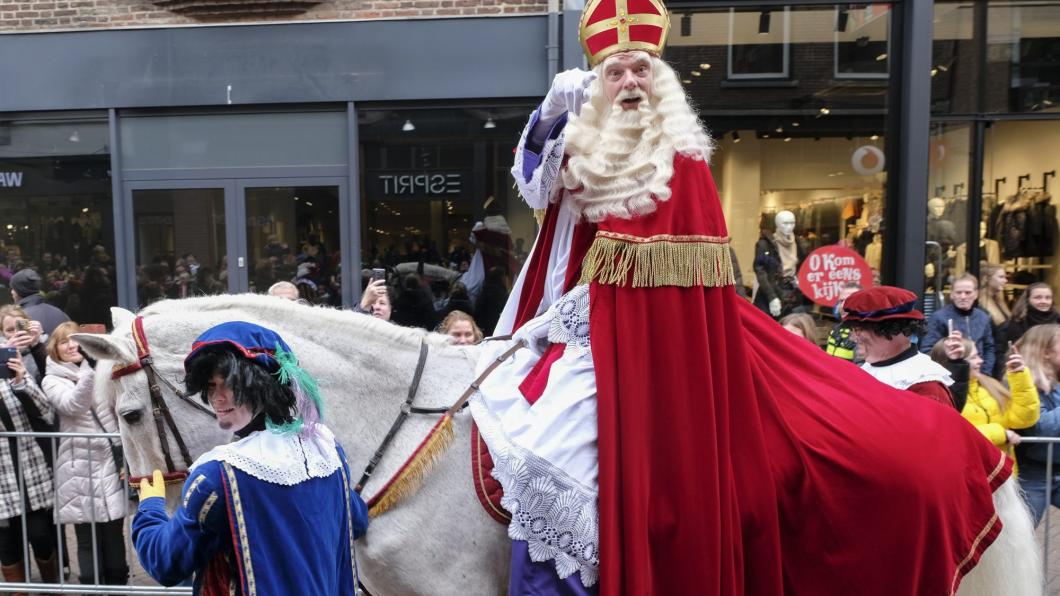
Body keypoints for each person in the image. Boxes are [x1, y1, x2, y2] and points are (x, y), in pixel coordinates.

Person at [470, 4, 1015, 593]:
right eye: (615, 73)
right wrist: (550, 115)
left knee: (560, 451)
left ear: (662, 79)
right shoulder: (590, 150)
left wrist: (579, 314)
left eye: (640, 70)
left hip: (654, 347)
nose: (629, 83)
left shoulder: (682, 158)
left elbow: (655, 281)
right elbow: (541, 189)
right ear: (598, 85)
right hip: (598, 328)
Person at [130, 321, 368, 594]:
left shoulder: (218, 476)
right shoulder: (326, 452)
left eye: (230, 384)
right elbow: (356, 520)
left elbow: (166, 563)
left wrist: (149, 508)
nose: (217, 398)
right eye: (210, 385)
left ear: (263, 386)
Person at [39, 322, 128, 587]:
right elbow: (73, 405)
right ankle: (92, 589)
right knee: (87, 537)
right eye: (64, 342)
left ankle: (118, 589)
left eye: (76, 340)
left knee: (113, 533)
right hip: (78, 464)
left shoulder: (98, 371)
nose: (72, 346)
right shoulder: (51, 379)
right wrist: (91, 372)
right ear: (55, 349)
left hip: (109, 463)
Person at [842, 286, 964, 409]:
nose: (853, 338)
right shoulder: (868, 369)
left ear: (891, 330)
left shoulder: (926, 386)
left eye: (858, 330)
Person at [929, 335, 1039, 467]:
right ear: (956, 359)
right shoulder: (938, 393)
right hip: (970, 473)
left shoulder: (990, 385)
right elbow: (953, 436)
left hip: (1004, 473)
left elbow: (1022, 420)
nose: (980, 361)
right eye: (974, 357)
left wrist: (1020, 376)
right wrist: (1001, 434)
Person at [0, 344, 58, 588]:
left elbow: (46, 413)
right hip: (2, 473)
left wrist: (21, 380)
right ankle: (18, 592)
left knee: (40, 534)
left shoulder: (14, 376)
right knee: (6, 542)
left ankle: (50, 586)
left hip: (29, 464)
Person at [1012, 324, 1060, 525]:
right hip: (1033, 472)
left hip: (1056, 465)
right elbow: (1041, 427)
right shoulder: (1022, 381)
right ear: (1046, 352)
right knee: (1022, 535)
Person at [920, 273, 996, 377]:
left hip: (978, 377)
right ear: (952, 294)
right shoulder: (939, 317)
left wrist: (985, 374)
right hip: (951, 377)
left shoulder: (983, 318)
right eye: (959, 292)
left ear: (976, 294)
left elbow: (989, 348)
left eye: (968, 292)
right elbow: (927, 350)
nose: (963, 297)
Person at [9, 269, 69, 336]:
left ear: (19, 291)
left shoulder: (20, 318)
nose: (11, 292)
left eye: (13, 288)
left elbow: (21, 343)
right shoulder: (61, 314)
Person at [1001, 282, 1059, 348]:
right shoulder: (1017, 322)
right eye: (1038, 297)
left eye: (1048, 298)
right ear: (1027, 300)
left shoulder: (1058, 320)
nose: (1044, 301)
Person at [0, 306, 46, 385]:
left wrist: (36, 345)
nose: (16, 333)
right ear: (2, 333)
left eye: (20, 327)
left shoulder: (42, 343)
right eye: (10, 330)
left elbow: (49, 375)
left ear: (29, 325)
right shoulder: (2, 351)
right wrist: (7, 353)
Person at [825, 282, 861, 362]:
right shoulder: (836, 328)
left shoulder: (864, 333)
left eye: (849, 300)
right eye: (841, 301)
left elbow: (860, 369)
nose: (842, 306)